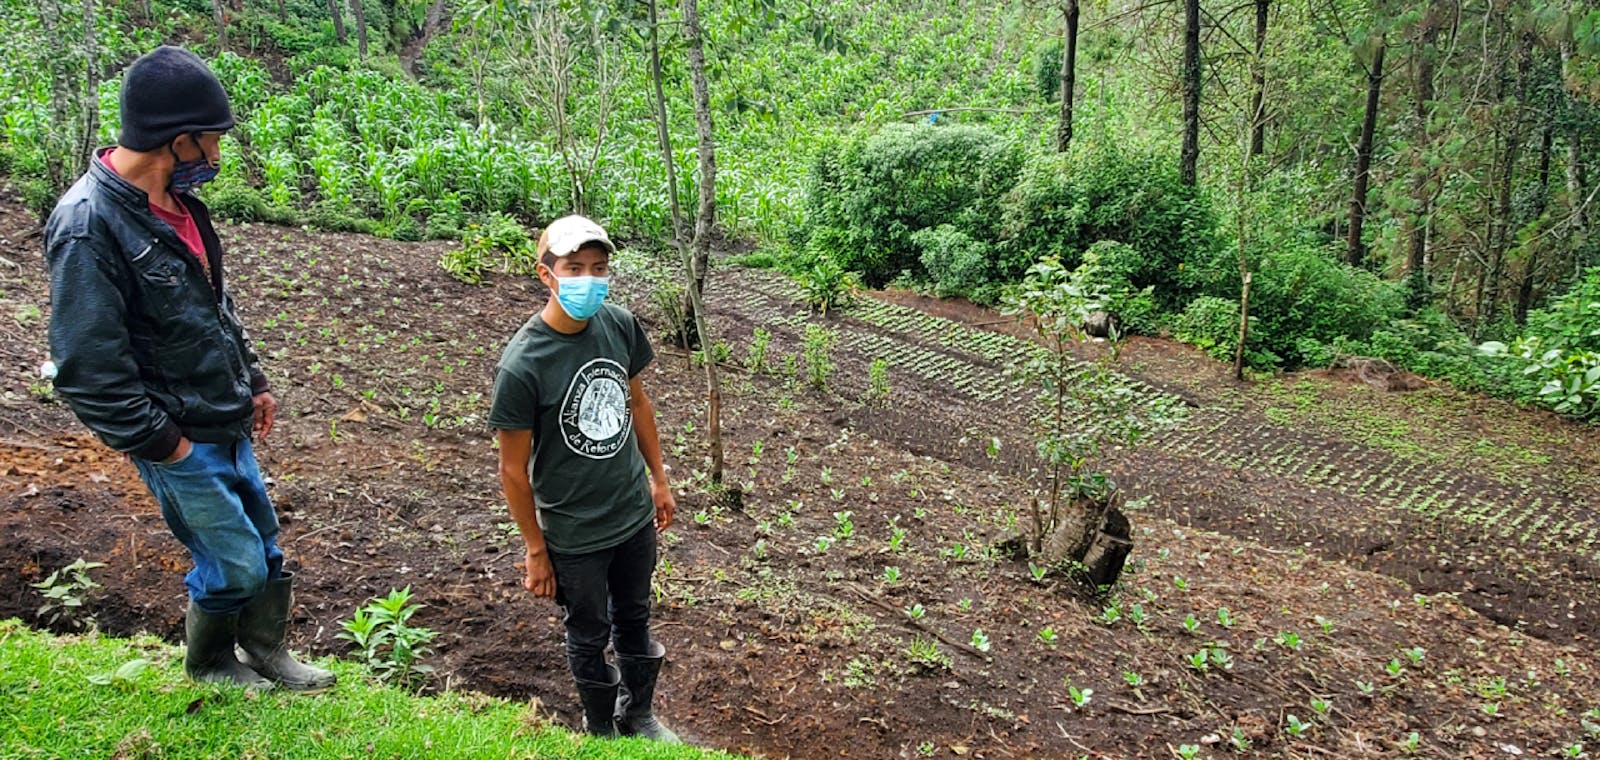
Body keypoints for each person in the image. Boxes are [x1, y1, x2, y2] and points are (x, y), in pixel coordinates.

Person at [44, 46, 332, 692]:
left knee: (264, 541)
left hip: (223, 417)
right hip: (178, 434)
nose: (218, 159)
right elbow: (86, 369)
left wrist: (251, 380)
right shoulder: (88, 225)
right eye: (211, 143)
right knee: (231, 557)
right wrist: (165, 444)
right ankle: (208, 664)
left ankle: (266, 652)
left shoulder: (179, 207)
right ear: (176, 142)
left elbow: (213, 306)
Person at [489, 215, 679, 741]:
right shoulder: (523, 364)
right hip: (574, 532)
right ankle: (600, 727)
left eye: (599, 268)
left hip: (631, 515)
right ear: (546, 274)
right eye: (574, 268)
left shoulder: (618, 324)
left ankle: (638, 715)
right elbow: (512, 469)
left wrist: (658, 479)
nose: (589, 279)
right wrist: (535, 548)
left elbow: (637, 402)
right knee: (589, 630)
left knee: (636, 616)